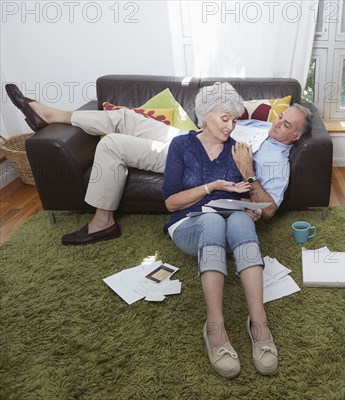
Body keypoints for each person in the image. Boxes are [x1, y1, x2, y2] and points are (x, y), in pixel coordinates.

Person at [4, 83, 312, 245]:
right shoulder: (263, 127)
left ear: (296, 138)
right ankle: (51, 114)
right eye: (280, 118)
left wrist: (247, 171)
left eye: (286, 126)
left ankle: (103, 223)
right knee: (125, 117)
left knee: (111, 144)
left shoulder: (277, 160)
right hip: (191, 137)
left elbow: (268, 209)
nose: (277, 125)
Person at [162, 82, 280, 378]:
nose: (231, 126)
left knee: (240, 220)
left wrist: (248, 174)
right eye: (224, 119)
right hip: (190, 226)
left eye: (235, 119)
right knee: (213, 220)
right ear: (204, 115)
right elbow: (171, 203)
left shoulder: (238, 151)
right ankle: (215, 327)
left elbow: (266, 210)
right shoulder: (181, 146)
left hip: (231, 229)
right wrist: (211, 187)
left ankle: (259, 324)